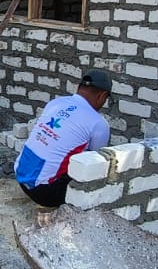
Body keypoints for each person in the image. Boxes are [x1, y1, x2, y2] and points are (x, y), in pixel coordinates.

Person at [15, 69, 113, 209]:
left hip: (20, 175)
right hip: (44, 193)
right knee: (94, 169)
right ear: (102, 95)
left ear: (79, 88)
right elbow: (94, 162)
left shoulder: (56, 103)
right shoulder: (98, 124)